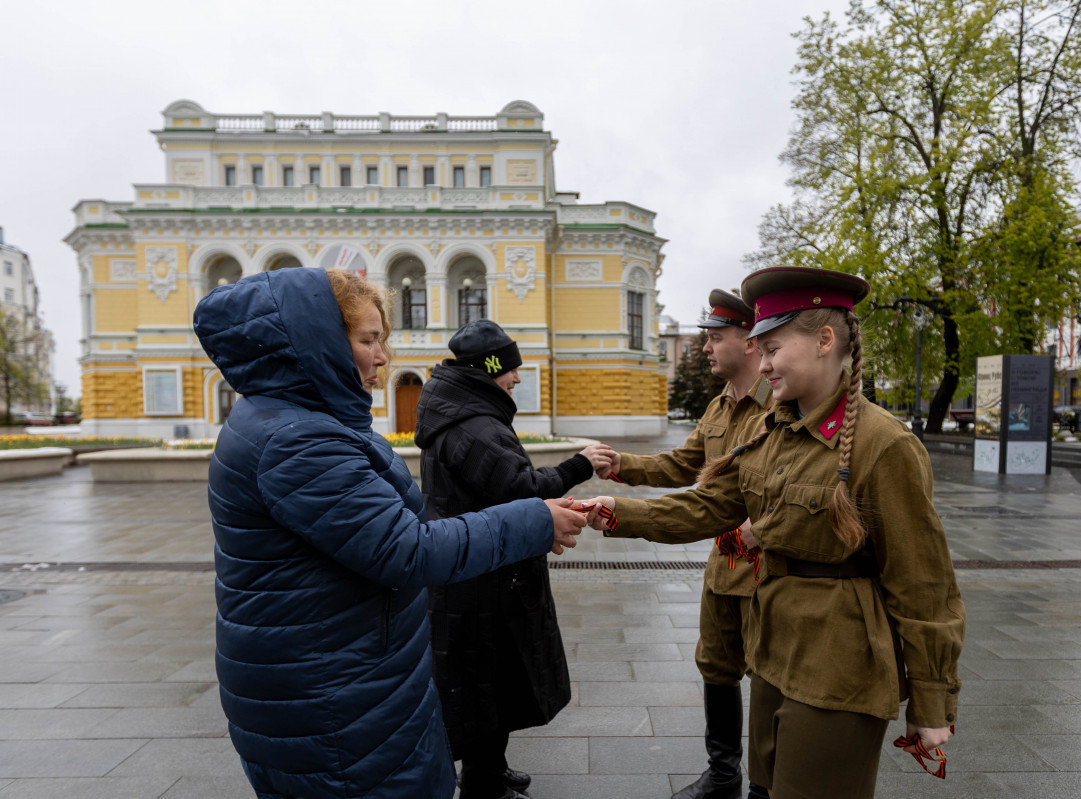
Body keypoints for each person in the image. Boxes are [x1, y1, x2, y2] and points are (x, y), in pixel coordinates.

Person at [193, 267, 587, 799]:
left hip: (341, 673)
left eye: (383, 340)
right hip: (333, 694)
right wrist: (538, 519)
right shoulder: (297, 440)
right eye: (368, 339)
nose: (383, 357)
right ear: (316, 342)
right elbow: (407, 549)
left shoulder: (296, 421)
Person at [575, 266, 965, 799]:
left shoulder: (884, 444)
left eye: (773, 347)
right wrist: (614, 512)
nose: (765, 361)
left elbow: (924, 585)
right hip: (773, 651)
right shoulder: (771, 429)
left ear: (825, 340)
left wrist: (931, 699)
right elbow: (710, 506)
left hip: (838, 663)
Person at [415, 319, 615, 799]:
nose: (517, 379)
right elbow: (520, 489)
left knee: (493, 678)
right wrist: (580, 465)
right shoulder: (476, 426)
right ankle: (483, 785)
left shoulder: (466, 412)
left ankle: (490, 767)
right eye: (510, 369)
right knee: (487, 680)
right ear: (489, 371)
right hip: (483, 580)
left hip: (482, 569)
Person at [597, 289, 770, 799]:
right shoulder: (720, 405)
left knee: (768, 677)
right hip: (725, 563)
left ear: (751, 341)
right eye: (706, 338)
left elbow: (715, 502)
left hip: (765, 567)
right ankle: (722, 777)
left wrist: (617, 513)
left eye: (716, 338)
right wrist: (622, 464)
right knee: (716, 666)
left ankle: (762, 784)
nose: (705, 348)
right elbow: (683, 464)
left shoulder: (776, 408)